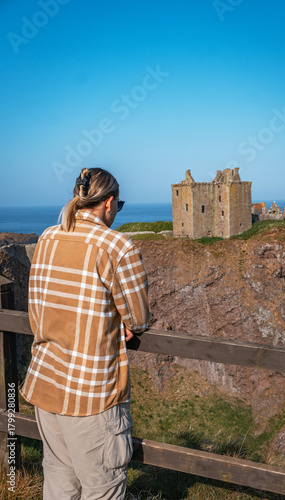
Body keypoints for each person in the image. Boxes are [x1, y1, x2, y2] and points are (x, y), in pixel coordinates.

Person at [20, 167, 150, 500]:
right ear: (109, 203)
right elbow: (138, 317)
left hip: (46, 382)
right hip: (91, 394)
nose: (116, 213)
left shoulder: (47, 237)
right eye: (118, 207)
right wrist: (125, 324)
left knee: (60, 483)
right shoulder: (117, 246)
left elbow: (38, 306)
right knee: (102, 488)